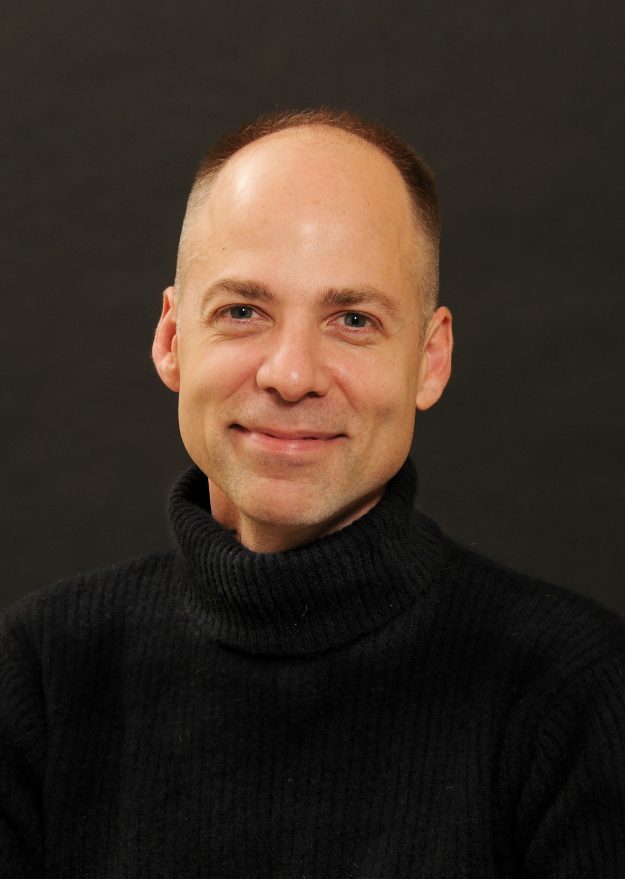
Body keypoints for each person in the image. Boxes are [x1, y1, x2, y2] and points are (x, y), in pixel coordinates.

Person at [1, 108, 624, 878]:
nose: (290, 375)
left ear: (429, 359)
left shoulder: (574, 690)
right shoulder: (42, 673)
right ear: (171, 339)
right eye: (242, 311)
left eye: (352, 318)